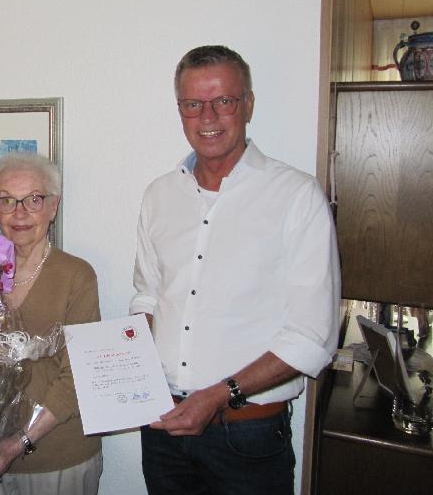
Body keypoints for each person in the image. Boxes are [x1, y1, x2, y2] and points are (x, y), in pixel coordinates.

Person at [129, 45, 340, 494]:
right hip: (163, 429)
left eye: (223, 100)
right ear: (180, 110)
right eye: (193, 104)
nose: (208, 116)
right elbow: (147, 296)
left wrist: (219, 395)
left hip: (247, 438)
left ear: (247, 104)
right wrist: (129, 365)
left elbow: (312, 337)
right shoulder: (158, 195)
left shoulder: (296, 197)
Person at [0, 152, 103, 495]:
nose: (20, 213)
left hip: (56, 457)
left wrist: (19, 442)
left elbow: (78, 376)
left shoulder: (76, 276)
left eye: (33, 200)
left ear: (53, 206)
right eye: (7, 200)